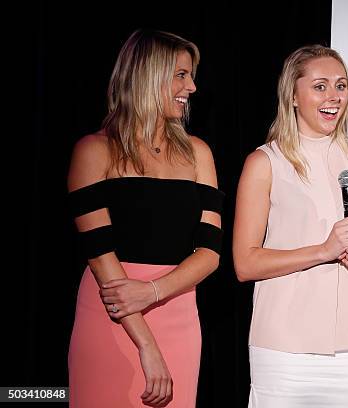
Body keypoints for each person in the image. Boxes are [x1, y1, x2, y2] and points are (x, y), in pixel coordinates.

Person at [67, 29, 223, 407]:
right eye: (181, 75)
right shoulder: (94, 150)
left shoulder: (198, 153)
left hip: (179, 312)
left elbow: (210, 253)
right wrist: (147, 346)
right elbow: (101, 256)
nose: (193, 87)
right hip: (113, 313)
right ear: (148, 75)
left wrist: (154, 291)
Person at [233, 45, 348, 407]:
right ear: (292, 95)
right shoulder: (265, 161)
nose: (333, 97)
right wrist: (323, 251)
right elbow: (245, 263)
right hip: (284, 348)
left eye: (341, 85)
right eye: (320, 86)